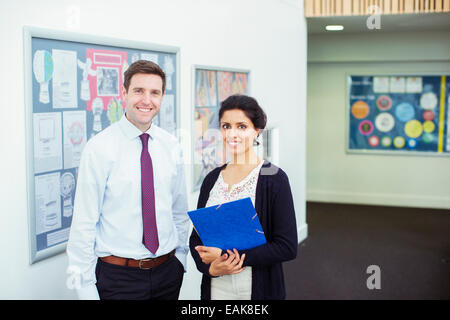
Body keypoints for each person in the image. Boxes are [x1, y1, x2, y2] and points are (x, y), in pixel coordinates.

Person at [67, 60, 189, 300]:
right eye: (138, 91)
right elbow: (84, 224)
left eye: (154, 92)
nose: (147, 100)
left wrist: (180, 260)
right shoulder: (99, 149)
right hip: (118, 279)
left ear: (162, 96)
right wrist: (86, 290)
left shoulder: (172, 146)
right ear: (124, 93)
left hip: (167, 274)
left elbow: (179, 211)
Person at [189, 94, 298, 300]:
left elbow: (287, 247)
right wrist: (211, 269)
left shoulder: (274, 179)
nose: (232, 134)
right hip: (215, 285)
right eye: (226, 126)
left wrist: (224, 255)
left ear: (256, 130)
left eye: (241, 126)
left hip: (257, 287)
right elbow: (196, 238)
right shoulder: (211, 179)